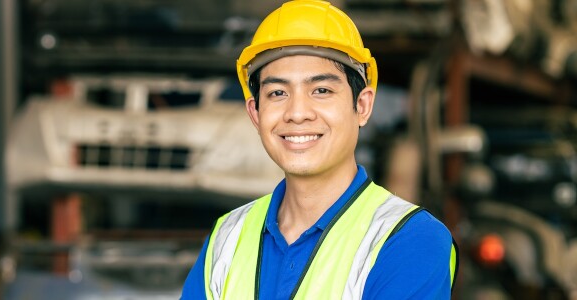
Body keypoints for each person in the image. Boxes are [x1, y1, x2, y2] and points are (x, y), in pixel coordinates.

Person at [181, 1, 458, 299]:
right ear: (256, 114)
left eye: (321, 90)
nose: (297, 113)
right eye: (277, 93)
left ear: (362, 106)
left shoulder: (410, 239)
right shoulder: (226, 238)